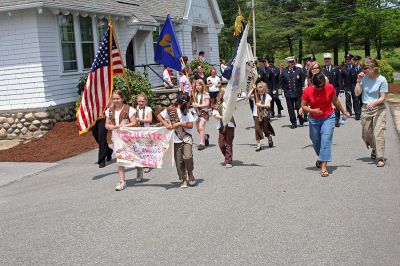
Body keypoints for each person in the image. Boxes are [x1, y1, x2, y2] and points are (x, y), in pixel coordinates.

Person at [301, 73, 349, 177]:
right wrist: (313, 110)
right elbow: (303, 107)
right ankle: (322, 157)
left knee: (326, 140)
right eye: (318, 86)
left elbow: (335, 100)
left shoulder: (330, 88)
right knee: (315, 140)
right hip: (314, 119)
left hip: (328, 117)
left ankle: (323, 166)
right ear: (313, 84)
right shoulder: (307, 91)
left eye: (322, 86)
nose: (320, 88)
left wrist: (343, 111)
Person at [355, 57, 388, 167]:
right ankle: (375, 148)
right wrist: (358, 81)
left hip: (379, 108)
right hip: (366, 109)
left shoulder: (382, 80)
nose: (363, 70)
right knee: (366, 134)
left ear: (373, 68)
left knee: (378, 133)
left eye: (366, 68)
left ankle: (380, 157)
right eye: (363, 68)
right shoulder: (363, 78)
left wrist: (374, 103)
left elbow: (383, 97)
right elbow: (357, 93)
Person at [157, 94, 196, 188]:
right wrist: (166, 124)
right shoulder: (171, 110)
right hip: (175, 139)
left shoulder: (187, 112)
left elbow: (190, 125)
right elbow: (159, 116)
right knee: (179, 161)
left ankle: (190, 172)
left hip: (186, 137)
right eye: (188, 102)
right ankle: (183, 179)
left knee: (187, 157)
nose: (189, 104)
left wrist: (180, 123)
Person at [105, 90, 139, 191]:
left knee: (133, 156)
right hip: (117, 138)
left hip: (129, 137)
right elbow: (106, 124)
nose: (115, 100)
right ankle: (122, 181)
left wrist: (123, 125)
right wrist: (111, 126)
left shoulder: (129, 109)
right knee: (120, 159)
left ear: (122, 99)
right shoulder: (109, 111)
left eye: (117, 98)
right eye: (114, 99)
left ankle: (139, 169)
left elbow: (134, 122)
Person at [278, 56, 305, 129]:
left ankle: (300, 117)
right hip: (288, 93)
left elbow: (303, 81)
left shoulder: (299, 70)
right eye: (290, 62)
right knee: (290, 109)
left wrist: (304, 91)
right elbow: (280, 83)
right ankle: (293, 122)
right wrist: (280, 93)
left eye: (293, 61)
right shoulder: (284, 71)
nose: (292, 63)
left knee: (298, 106)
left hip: (298, 93)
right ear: (288, 63)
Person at [213, 88, 235, 168]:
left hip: (230, 125)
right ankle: (227, 156)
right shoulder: (217, 105)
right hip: (221, 126)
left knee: (228, 143)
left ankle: (228, 161)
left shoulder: (230, 104)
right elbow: (215, 115)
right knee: (221, 144)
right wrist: (223, 117)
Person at [249, 81, 275, 151]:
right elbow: (248, 96)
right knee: (257, 129)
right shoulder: (255, 95)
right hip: (256, 115)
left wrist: (260, 105)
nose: (260, 92)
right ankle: (258, 145)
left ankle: (269, 136)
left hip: (264, 114)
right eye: (259, 91)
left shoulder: (267, 96)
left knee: (265, 129)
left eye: (262, 91)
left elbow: (268, 105)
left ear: (264, 90)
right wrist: (252, 89)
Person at [322, 53, 343, 127]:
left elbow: (339, 79)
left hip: (335, 89)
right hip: (325, 90)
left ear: (331, 59)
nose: (327, 60)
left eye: (328, 59)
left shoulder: (336, 68)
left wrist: (341, 89)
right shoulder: (322, 69)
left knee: (335, 103)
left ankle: (336, 119)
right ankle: (327, 119)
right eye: (325, 59)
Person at [135, 94, 153, 173]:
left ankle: (147, 164)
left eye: (142, 101)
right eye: (139, 101)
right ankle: (141, 162)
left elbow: (150, 120)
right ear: (137, 101)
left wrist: (140, 119)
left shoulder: (148, 109)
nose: (141, 103)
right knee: (139, 147)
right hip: (137, 130)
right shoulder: (135, 109)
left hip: (146, 130)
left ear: (145, 101)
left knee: (145, 147)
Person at [192, 79, 210, 150]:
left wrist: (198, 105)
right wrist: (193, 104)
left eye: (199, 85)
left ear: (202, 86)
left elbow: (207, 104)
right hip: (196, 113)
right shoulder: (194, 94)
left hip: (203, 113)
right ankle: (205, 137)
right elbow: (192, 102)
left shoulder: (205, 94)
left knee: (201, 127)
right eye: (196, 85)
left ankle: (201, 143)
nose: (198, 87)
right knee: (198, 129)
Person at [342, 54, 360, 119]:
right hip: (347, 86)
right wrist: (342, 88)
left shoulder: (354, 66)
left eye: (349, 59)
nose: (348, 61)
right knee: (348, 99)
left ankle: (357, 113)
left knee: (355, 99)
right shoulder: (343, 68)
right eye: (347, 59)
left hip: (354, 85)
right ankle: (349, 112)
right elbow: (341, 78)